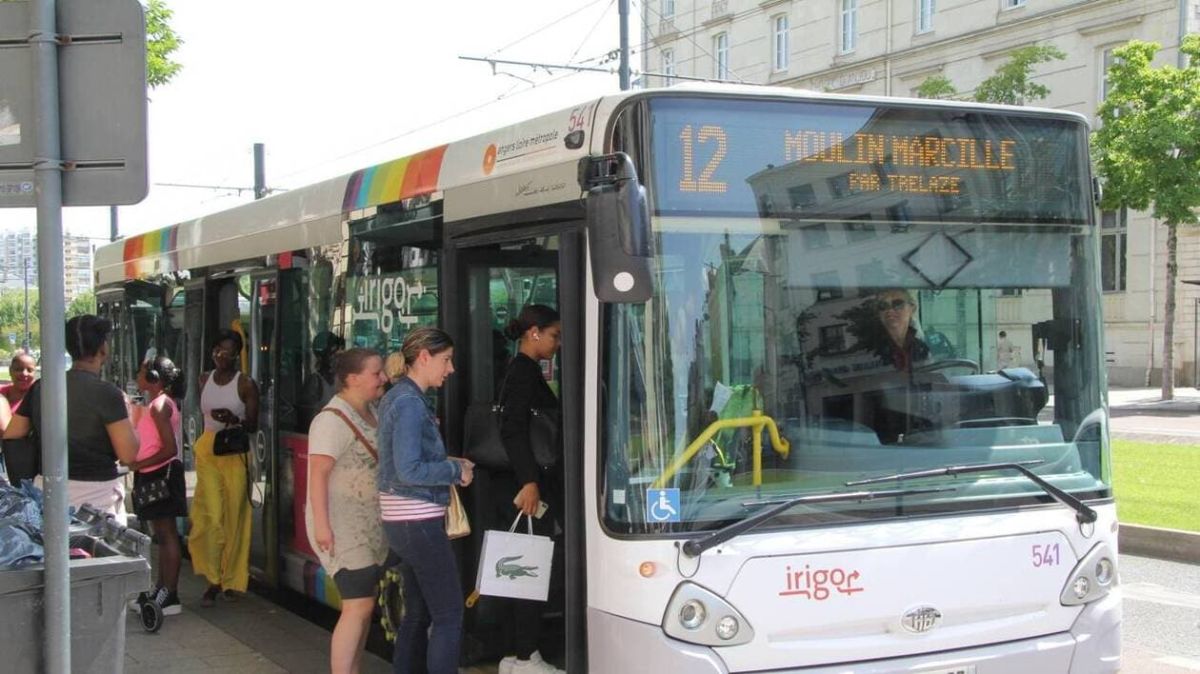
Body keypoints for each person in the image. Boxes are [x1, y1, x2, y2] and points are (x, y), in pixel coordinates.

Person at [377, 327, 473, 674]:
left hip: (402, 520)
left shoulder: (398, 397)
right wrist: (454, 470)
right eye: (446, 360)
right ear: (424, 357)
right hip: (417, 519)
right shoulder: (409, 404)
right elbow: (409, 469)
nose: (451, 369)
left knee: (417, 612)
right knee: (449, 614)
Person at [3, 316, 138, 521]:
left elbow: (13, 434)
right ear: (103, 348)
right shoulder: (108, 394)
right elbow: (128, 454)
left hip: (47, 490)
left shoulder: (42, 387)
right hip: (99, 495)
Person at [306, 348, 390, 674]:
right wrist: (323, 528)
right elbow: (317, 476)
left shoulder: (372, 412)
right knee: (358, 605)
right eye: (376, 373)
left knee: (363, 606)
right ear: (352, 379)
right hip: (344, 528)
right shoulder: (331, 420)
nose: (383, 379)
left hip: (368, 526)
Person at [497, 305, 565, 674]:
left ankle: (514, 654)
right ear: (534, 332)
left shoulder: (519, 370)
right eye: (554, 335)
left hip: (524, 486)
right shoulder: (523, 372)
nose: (558, 343)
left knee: (519, 568)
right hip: (528, 490)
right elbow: (513, 428)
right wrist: (529, 481)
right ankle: (527, 656)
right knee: (530, 568)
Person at [188, 329, 260, 606]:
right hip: (208, 450)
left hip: (234, 453)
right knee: (211, 515)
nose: (221, 355)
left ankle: (231, 580)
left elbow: (253, 425)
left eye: (228, 351)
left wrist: (234, 419)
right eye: (218, 349)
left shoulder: (246, 384)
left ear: (237, 355)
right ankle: (212, 577)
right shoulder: (204, 378)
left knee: (235, 518)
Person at [129, 355, 186, 616]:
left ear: (153, 378)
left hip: (160, 474)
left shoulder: (159, 405)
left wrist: (138, 465)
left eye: (142, 371)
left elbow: (170, 448)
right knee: (162, 536)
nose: (137, 375)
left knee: (167, 534)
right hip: (155, 474)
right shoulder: (156, 403)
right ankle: (161, 589)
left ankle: (169, 593)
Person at [872, 288, 929, 373]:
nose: (890, 311)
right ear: (878, 313)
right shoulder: (871, 350)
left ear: (912, 308)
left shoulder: (923, 347)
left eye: (897, 304)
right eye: (883, 306)